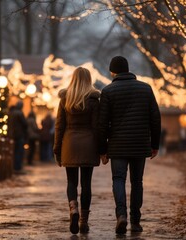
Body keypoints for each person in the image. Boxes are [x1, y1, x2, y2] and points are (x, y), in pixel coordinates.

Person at [98, 56, 161, 234]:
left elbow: (102, 124)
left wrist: (102, 150)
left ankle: (121, 215)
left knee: (118, 179)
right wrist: (155, 144)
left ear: (113, 72)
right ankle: (135, 220)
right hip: (140, 144)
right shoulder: (146, 88)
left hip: (117, 146)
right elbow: (155, 118)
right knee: (137, 181)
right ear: (128, 70)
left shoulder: (108, 91)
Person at [53, 67, 100, 234]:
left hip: (70, 143)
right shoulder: (94, 100)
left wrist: (57, 150)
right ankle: (84, 221)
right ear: (89, 79)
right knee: (86, 183)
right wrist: (101, 149)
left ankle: (73, 209)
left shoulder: (65, 99)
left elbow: (59, 126)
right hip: (88, 143)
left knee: (71, 182)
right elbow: (96, 127)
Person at [8, 101, 27, 173]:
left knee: (15, 151)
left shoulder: (11, 112)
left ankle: (14, 167)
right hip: (19, 135)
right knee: (19, 151)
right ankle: (17, 167)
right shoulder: (19, 113)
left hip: (12, 135)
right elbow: (25, 124)